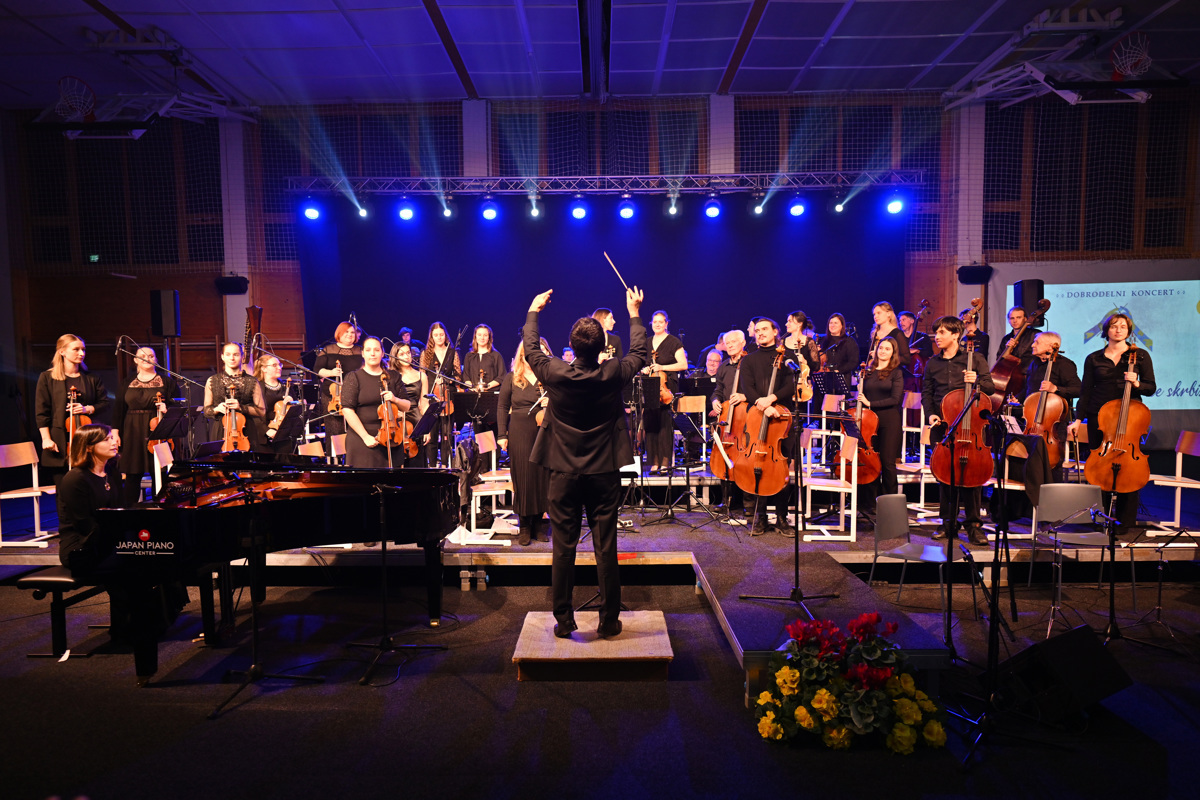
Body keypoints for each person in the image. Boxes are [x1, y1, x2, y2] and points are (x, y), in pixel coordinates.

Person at [523, 285, 648, 639]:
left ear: (571, 344)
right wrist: (634, 312)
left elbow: (531, 349)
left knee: (563, 548)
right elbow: (640, 351)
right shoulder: (613, 373)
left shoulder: (555, 372)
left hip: (563, 472)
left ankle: (564, 621)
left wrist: (534, 310)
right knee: (606, 548)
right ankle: (608, 621)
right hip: (603, 472)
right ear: (603, 345)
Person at [58, 424, 179, 677]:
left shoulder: (110, 472)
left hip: (108, 541)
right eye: (107, 439)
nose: (115, 442)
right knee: (139, 563)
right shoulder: (75, 479)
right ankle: (133, 630)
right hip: (82, 548)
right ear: (89, 447)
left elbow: (122, 512)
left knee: (159, 554)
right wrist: (127, 544)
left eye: (113, 438)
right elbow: (85, 526)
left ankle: (148, 623)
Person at [1078, 313, 1156, 535]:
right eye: (1114, 326)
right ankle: (1098, 517)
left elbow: (1151, 387)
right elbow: (1085, 390)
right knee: (1098, 467)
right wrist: (1077, 419)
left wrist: (1137, 383)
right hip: (1099, 418)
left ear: (1129, 331)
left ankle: (1125, 521)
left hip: (1130, 418)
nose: (1118, 330)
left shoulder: (1140, 356)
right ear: (1107, 330)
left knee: (1129, 468)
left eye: (1123, 326)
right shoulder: (1094, 358)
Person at [922, 316, 994, 547]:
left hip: (971, 427)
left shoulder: (975, 358)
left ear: (955, 335)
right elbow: (927, 393)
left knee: (973, 477)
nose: (937, 337)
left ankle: (974, 525)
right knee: (945, 476)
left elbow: (991, 387)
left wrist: (977, 381)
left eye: (942, 332)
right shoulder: (932, 363)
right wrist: (930, 414)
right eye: (937, 332)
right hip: (944, 426)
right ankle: (947, 523)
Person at [738, 317, 796, 534]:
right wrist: (763, 406)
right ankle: (759, 517)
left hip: (782, 418)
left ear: (775, 331)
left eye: (764, 329)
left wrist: (771, 399)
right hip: (757, 415)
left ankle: (782, 517)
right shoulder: (749, 360)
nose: (760, 333)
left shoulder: (787, 357)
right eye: (757, 330)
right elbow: (748, 388)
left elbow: (791, 385)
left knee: (781, 468)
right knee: (757, 467)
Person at [496, 338, 552, 546]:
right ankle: (525, 525)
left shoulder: (548, 378)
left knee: (541, 477)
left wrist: (551, 402)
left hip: (544, 430)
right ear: (522, 355)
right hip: (519, 430)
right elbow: (502, 407)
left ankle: (539, 524)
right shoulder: (512, 378)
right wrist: (502, 434)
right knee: (523, 477)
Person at [36, 334, 109, 483]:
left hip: (88, 439)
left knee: (90, 486)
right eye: (76, 349)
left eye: (83, 349)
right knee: (63, 487)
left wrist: (87, 409)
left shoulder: (92, 378)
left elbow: (104, 403)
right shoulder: (47, 378)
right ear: (62, 351)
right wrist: (46, 438)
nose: (81, 353)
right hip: (60, 440)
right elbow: (42, 411)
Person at [112, 346, 177, 505]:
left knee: (160, 473)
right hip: (132, 430)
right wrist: (115, 432)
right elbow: (119, 409)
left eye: (151, 355)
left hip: (158, 430)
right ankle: (130, 512)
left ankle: (160, 508)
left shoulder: (167, 382)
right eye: (142, 356)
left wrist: (167, 409)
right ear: (135, 360)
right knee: (132, 474)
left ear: (156, 359)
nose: (147, 358)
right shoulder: (127, 382)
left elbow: (177, 407)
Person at [341, 337, 412, 469]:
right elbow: (347, 410)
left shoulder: (393, 376)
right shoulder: (354, 377)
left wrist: (395, 399)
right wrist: (365, 437)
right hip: (362, 439)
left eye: (376, 350)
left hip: (392, 437)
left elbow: (407, 406)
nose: (372, 354)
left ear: (382, 353)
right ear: (363, 353)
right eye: (368, 350)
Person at [858, 337, 904, 500]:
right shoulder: (868, 371)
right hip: (870, 423)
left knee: (887, 462)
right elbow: (862, 394)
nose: (883, 351)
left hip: (889, 421)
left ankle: (890, 503)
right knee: (872, 461)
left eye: (887, 349)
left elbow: (895, 399)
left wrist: (870, 403)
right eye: (881, 348)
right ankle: (871, 502)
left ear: (893, 353)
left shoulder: (896, 373)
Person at [642, 310, 686, 474]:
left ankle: (665, 461)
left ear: (666, 323)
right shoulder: (647, 342)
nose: (658, 324)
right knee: (651, 424)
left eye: (661, 321)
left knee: (665, 424)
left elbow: (683, 364)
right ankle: (654, 462)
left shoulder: (674, 342)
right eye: (655, 322)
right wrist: (645, 369)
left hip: (667, 387)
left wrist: (662, 367)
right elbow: (643, 363)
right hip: (651, 386)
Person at [709, 329, 747, 515]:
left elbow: (758, 389)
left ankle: (745, 501)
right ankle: (726, 500)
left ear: (743, 343)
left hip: (744, 418)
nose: (730, 345)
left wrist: (744, 396)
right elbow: (718, 389)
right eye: (727, 342)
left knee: (744, 458)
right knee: (725, 455)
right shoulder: (723, 367)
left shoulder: (749, 364)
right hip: (727, 420)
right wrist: (715, 401)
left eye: (734, 342)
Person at [203, 343, 265, 447]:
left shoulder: (252, 381)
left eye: (236, 354)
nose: (232, 358)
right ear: (222, 357)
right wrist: (217, 409)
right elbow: (206, 410)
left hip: (246, 430)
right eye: (228, 354)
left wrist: (241, 407)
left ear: (242, 357)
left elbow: (261, 411)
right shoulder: (212, 380)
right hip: (222, 430)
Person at [420, 321, 462, 467]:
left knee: (446, 436)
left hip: (448, 397)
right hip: (432, 397)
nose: (439, 337)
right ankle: (432, 466)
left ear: (445, 335)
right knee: (432, 436)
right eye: (436, 335)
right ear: (431, 336)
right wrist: (424, 398)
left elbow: (458, 376)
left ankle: (445, 465)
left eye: (441, 334)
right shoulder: (426, 353)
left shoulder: (452, 353)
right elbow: (423, 375)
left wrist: (447, 380)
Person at [314, 322, 363, 436]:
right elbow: (317, 370)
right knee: (335, 430)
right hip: (332, 395)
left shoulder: (361, 350)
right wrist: (331, 372)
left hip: (356, 394)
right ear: (339, 333)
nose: (350, 334)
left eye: (352, 332)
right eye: (346, 332)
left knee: (355, 429)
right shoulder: (328, 350)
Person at [254, 354, 300, 455]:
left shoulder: (286, 386)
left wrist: (292, 403)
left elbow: (296, 411)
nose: (279, 368)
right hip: (265, 435)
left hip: (285, 435)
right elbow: (253, 413)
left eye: (279, 365)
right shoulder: (257, 387)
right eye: (274, 365)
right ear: (264, 369)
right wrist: (266, 430)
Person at [393, 342, 429, 466]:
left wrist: (427, 429)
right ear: (395, 356)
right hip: (398, 419)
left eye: (408, 353)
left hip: (416, 419)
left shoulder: (422, 375)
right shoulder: (392, 375)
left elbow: (424, 403)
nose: (406, 356)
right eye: (402, 354)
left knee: (417, 461)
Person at [868, 301, 912, 370]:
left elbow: (906, 359)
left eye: (879, 313)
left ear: (888, 313)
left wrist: (884, 357)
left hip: (891, 372)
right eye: (874, 314)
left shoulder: (897, 333)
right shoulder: (874, 333)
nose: (875, 316)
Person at [819, 313, 860, 384]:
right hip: (824, 378)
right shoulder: (823, 340)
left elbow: (854, 362)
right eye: (831, 323)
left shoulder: (849, 341)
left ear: (842, 325)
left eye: (836, 323)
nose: (832, 325)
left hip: (842, 379)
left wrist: (839, 370)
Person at [463, 324, 506, 390]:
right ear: (475, 336)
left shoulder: (496, 355)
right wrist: (473, 388)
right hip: (473, 392)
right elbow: (466, 376)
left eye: (485, 335)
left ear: (489, 337)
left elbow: (501, 376)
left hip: (491, 392)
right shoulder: (469, 356)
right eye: (479, 335)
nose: (482, 338)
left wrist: (487, 387)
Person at [997, 306, 1036, 371]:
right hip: (1011, 374)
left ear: (1025, 319)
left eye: (1018, 317)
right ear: (1009, 321)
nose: (1015, 321)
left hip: (1030, 374)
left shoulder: (1035, 335)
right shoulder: (1006, 339)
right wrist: (1007, 350)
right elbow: (999, 362)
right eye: (1012, 318)